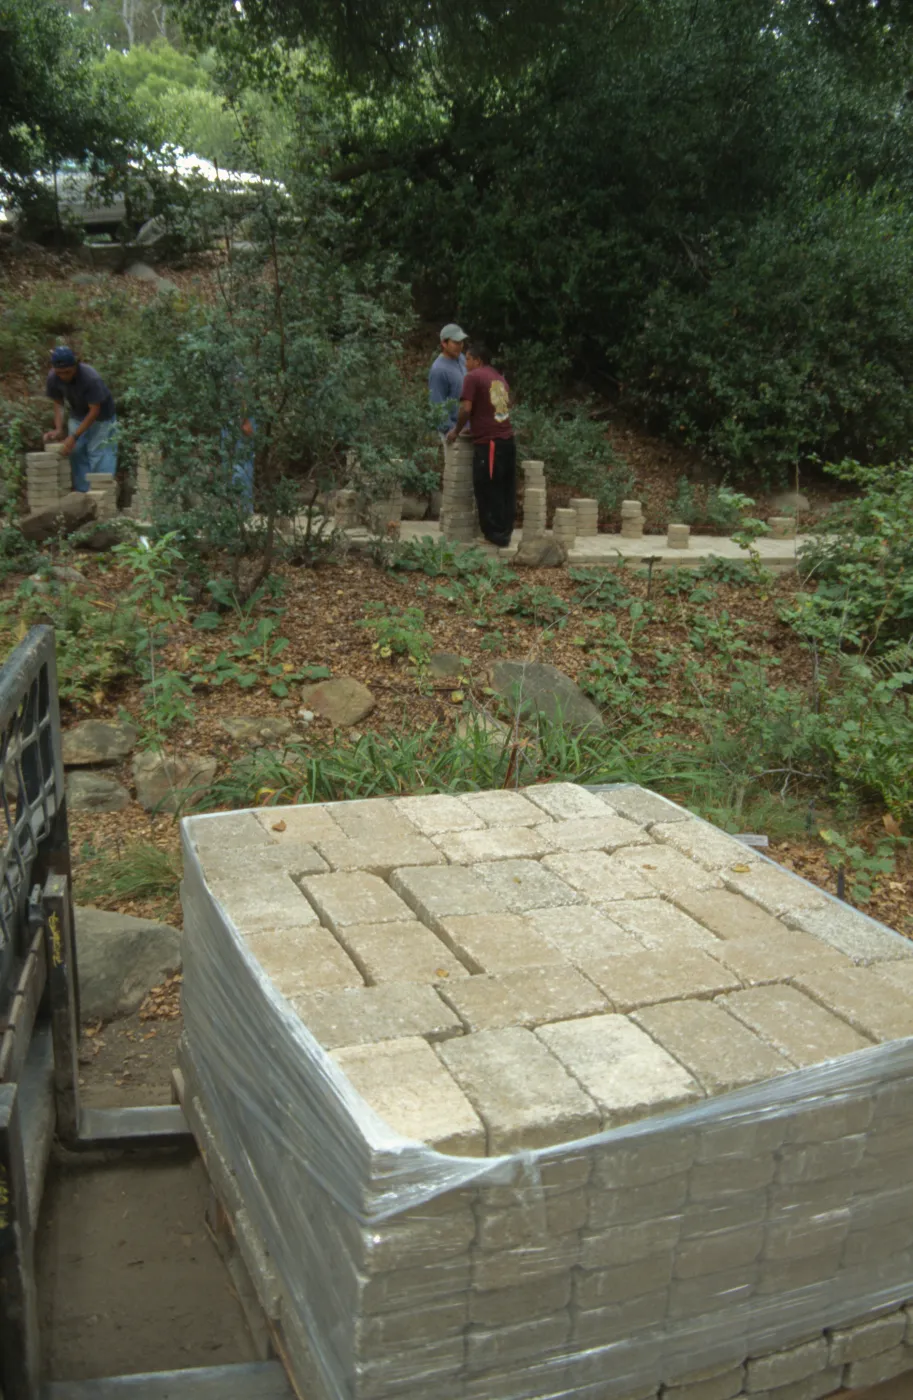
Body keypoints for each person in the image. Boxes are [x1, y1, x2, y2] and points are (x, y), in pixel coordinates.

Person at [447, 342, 516, 548]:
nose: (465, 362)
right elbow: (502, 407)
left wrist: (456, 430)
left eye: (467, 358)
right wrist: (477, 426)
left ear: (477, 360)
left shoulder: (473, 377)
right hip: (507, 440)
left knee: (487, 487)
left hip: (490, 443)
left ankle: (494, 536)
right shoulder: (499, 378)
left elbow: (466, 409)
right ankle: (504, 533)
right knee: (505, 489)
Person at [44, 347, 117, 493]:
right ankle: (83, 496)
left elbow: (94, 411)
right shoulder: (53, 377)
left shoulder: (90, 378)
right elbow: (58, 402)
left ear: (75, 366)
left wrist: (74, 436)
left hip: (102, 418)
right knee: (76, 452)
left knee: (99, 453)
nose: (63, 376)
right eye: (60, 373)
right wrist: (58, 429)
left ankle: (102, 496)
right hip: (77, 415)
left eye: (67, 372)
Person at [428, 323, 468, 439]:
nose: (460, 346)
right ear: (444, 343)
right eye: (456, 343)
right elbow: (437, 405)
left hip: (469, 429)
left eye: (461, 342)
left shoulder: (461, 358)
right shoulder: (438, 370)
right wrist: (452, 430)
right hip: (454, 434)